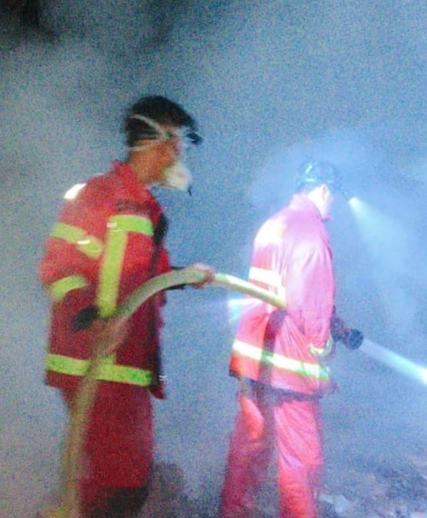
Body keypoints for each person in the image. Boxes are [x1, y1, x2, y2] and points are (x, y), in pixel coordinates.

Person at [39, 95, 215, 518]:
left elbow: (138, 277)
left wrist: (186, 275)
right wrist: (92, 318)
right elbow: (59, 267)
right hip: (96, 365)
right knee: (119, 487)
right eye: (176, 142)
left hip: (125, 368)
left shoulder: (142, 206)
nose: (179, 153)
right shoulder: (102, 195)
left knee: (114, 483)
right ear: (153, 140)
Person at [218, 160, 363, 518]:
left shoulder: (275, 224)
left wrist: (338, 327)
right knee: (303, 460)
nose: (334, 209)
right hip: (290, 364)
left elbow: (285, 289)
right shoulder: (311, 231)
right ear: (324, 190)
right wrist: (322, 349)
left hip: (257, 356)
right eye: (334, 198)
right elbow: (310, 302)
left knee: (250, 447)